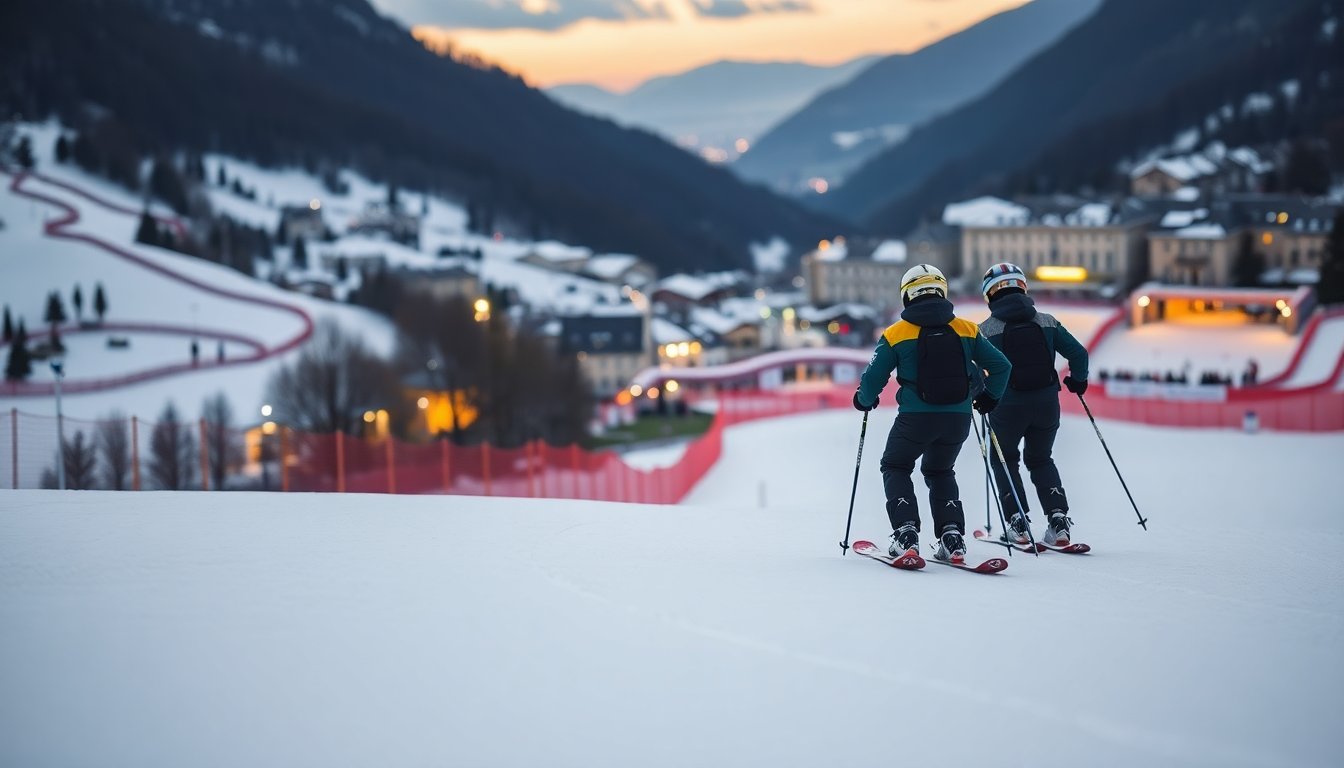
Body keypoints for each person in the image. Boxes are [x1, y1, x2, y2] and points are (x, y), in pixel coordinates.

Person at [853, 264, 1011, 563]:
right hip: (957, 419)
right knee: (940, 471)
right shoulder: (966, 328)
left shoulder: (896, 333)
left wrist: (864, 399)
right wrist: (990, 397)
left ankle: (906, 533)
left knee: (895, 466)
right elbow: (1002, 366)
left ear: (907, 295)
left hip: (915, 418)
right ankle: (952, 537)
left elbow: (874, 377)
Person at [976, 263, 1089, 546]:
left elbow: (972, 368)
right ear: (1023, 287)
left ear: (989, 295)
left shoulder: (985, 330)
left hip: (1006, 407)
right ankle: (1058, 520)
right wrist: (1078, 381)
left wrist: (981, 394)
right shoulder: (1047, 321)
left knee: (1003, 460)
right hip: (1047, 403)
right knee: (1041, 459)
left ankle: (1017, 522)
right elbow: (1078, 353)